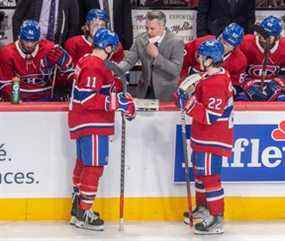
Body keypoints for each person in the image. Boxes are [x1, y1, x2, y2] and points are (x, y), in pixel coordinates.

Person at [68, 28, 136, 231]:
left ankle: (78, 210)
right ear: (107, 46)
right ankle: (84, 213)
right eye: (112, 47)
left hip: (85, 122)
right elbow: (87, 98)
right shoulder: (92, 65)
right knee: (94, 167)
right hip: (92, 123)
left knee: (84, 164)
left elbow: (99, 90)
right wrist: (119, 102)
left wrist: (119, 96)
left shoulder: (86, 60)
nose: (113, 51)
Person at [177, 40, 234, 234]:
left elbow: (210, 116)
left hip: (213, 139)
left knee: (210, 177)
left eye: (202, 56)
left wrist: (189, 103)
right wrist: (187, 95)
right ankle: (203, 209)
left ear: (210, 59)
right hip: (203, 138)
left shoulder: (218, 82)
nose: (198, 59)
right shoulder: (210, 76)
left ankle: (217, 217)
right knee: (201, 175)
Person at [117, 10, 184, 101]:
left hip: (166, 93)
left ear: (162, 27)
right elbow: (128, 61)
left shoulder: (176, 42)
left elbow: (175, 70)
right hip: (144, 91)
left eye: (152, 29)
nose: (148, 32)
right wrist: (115, 70)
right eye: (146, 28)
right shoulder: (140, 40)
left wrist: (157, 56)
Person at [0, 20, 72, 101]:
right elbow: (4, 84)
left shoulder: (50, 49)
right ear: (19, 37)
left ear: (39, 39)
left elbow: (69, 77)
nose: (29, 45)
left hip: (47, 98)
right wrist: (16, 99)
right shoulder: (7, 53)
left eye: (33, 41)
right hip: (20, 97)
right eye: (26, 40)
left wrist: (65, 68)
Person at [181, 23, 247, 98]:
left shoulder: (240, 60)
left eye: (228, 45)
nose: (222, 45)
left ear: (235, 47)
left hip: (214, 94)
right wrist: (183, 84)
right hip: (189, 87)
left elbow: (235, 86)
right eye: (223, 40)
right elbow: (181, 63)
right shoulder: (201, 44)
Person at [239, 15, 285, 101]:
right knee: (239, 98)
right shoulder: (245, 42)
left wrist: (277, 84)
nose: (264, 37)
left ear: (277, 37)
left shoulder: (283, 46)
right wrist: (247, 84)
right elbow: (235, 69)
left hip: (274, 85)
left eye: (269, 36)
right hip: (248, 85)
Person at [12, 0, 79, 44]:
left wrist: (67, 46)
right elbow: (17, 18)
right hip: (32, 43)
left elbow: (73, 25)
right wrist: (18, 43)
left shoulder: (70, 1)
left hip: (57, 45)